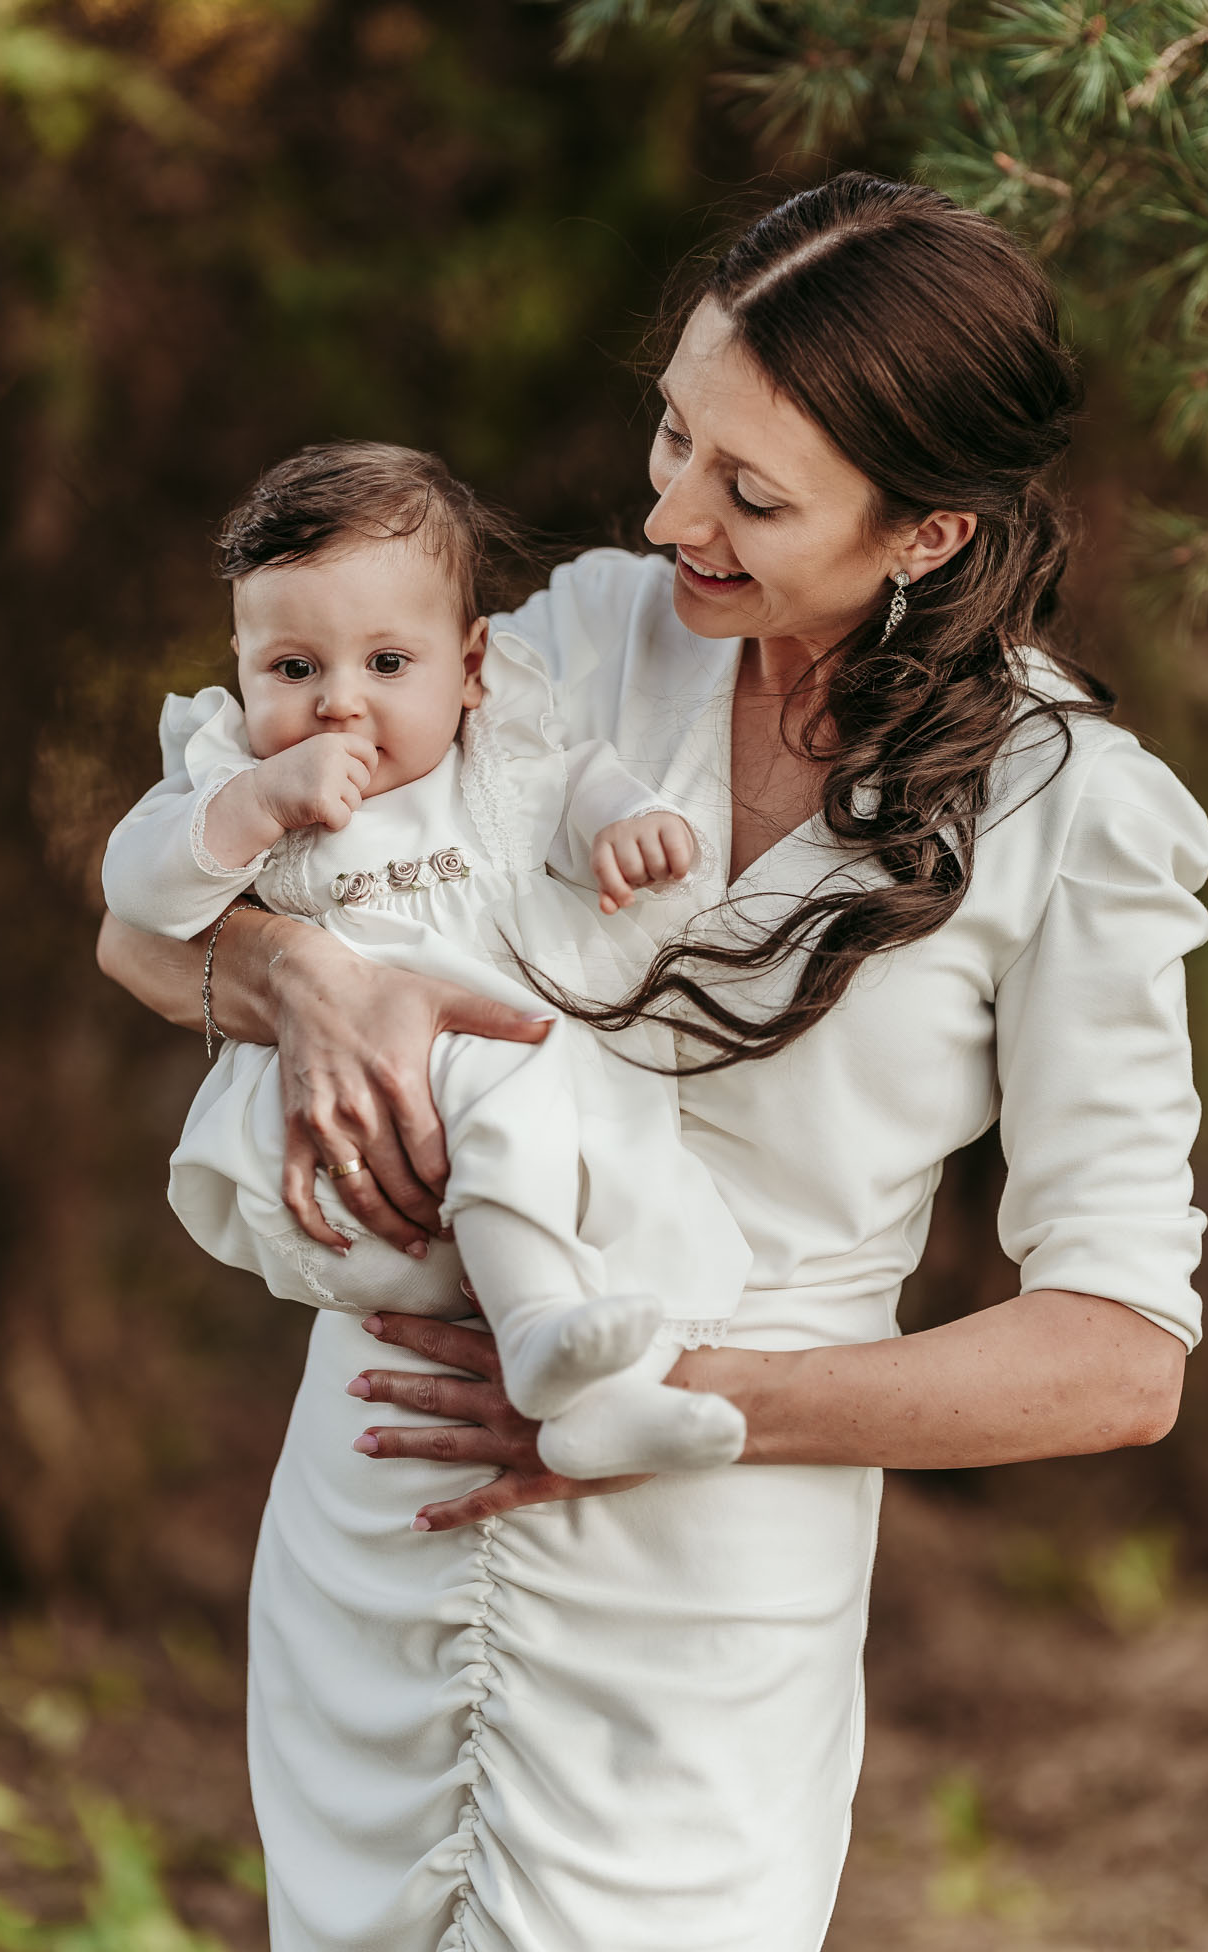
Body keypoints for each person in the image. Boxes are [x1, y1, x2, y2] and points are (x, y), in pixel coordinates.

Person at [97, 173, 1208, 1952]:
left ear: (924, 531)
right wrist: (307, 981)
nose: (665, 508)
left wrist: (683, 1395)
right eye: (674, 431)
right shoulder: (573, 641)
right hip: (381, 1499)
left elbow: (1115, 1356)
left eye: (747, 491)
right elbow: (148, 933)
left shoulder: (1075, 816)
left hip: (703, 1584)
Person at [101, 441, 753, 1481]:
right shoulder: (235, 776)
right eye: (293, 668)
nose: (338, 703)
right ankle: (535, 1330)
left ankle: (598, 1407)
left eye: (387, 664)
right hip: (354, 1145)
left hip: (513, 1138)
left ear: (473, 665)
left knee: (613, 1168)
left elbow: (578, 780)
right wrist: (256, 805)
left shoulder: (495, 765)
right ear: (241, 662)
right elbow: (137, 897)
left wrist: (626, 823)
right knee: (505, 1073)